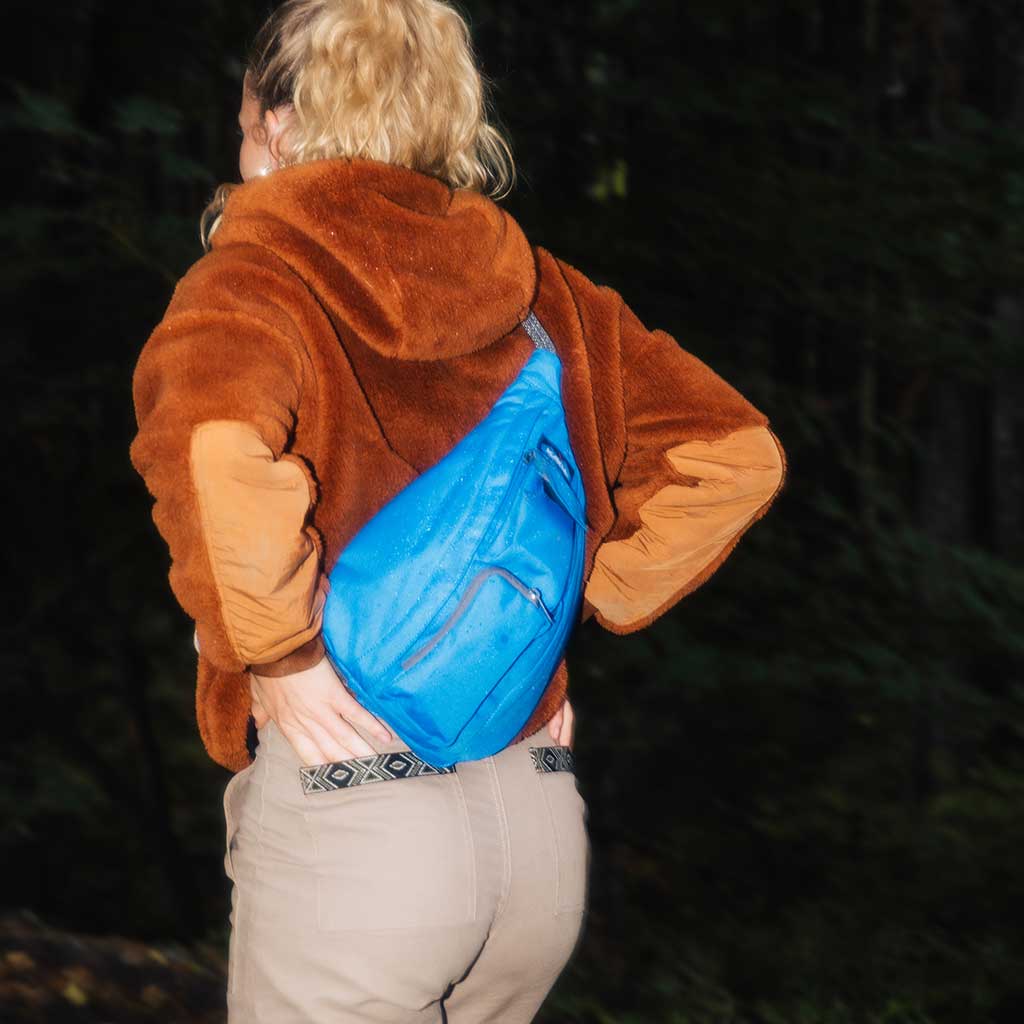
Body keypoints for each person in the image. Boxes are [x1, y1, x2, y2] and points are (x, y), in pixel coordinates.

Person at [128, 0, 788, 1020]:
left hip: (356, 819)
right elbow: (735, 454)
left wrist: (283, 656)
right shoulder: (547, 294)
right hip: (535, 826)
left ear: (279, 124)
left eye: (246, 118)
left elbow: (218, 455)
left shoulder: (251, 284)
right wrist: (558, 605)